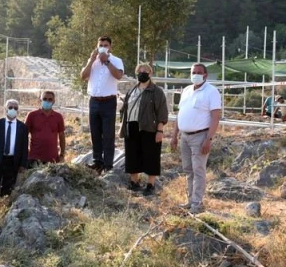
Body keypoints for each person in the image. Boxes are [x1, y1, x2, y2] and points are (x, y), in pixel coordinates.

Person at [171, 63, 221, 214]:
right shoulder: (186, 90)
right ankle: (190, 200)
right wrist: (174, 135)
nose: (196, 75)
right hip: (184, 136)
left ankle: (197, 203)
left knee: (198, 169)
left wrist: (209, 139)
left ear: (205, 75)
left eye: (199, 72)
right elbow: (180, 114)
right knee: (188, 169)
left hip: (200, 136)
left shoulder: (211, 91)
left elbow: (215, 117)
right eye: (194, 72)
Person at [119, 64, 168, 196]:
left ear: (150, 73)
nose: (142, 72)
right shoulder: (131, 91)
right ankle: (134, 182)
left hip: (149, 127)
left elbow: (162, 113)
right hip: (132, 125)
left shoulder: (156, 91)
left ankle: (150, 185)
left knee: (151, 155)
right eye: (139, 71)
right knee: (132, 154)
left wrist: (160, 130)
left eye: (145, 70)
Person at [80, 35, 125, 174]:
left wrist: (106, 62)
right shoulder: (92, 60)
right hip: (94, 101)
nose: (103, 48)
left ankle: (108, 164)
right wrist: (92, 60)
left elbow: (118, 75)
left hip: (108, 101)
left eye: (106, 45)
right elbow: (83, 76)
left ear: (110, 47)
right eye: (101, 45)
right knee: (95, 133)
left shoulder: (116, 60)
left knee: (108, 134)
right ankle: (97, 161)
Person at [0, 99, 28, 200]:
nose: (13, 110)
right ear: (6, 109)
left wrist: (23, 164)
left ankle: (3, 207)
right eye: (10, 107)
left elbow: (24, 146)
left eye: (15, 108)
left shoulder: (22, 127)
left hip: (13, 161)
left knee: (8, 188)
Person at [25, 91, 66, 166]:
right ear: (40, 100)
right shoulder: (32, 115)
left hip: (53, 159)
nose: (47, 101)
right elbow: (24, 136)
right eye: (44, 99)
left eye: (50, 99)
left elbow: (62, 136)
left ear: (54, 101)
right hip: (34, 158)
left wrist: (62, 155)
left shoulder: (58, 117)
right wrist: (25, 153)